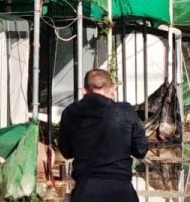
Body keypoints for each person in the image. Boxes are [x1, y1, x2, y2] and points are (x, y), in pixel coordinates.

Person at [58, 69, 149, 202]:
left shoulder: (70, 112)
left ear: (84, 91)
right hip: (120, 191)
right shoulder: (125, 112)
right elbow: (141, 150)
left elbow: (66, 152)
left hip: (85, 191)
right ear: (113, 89)